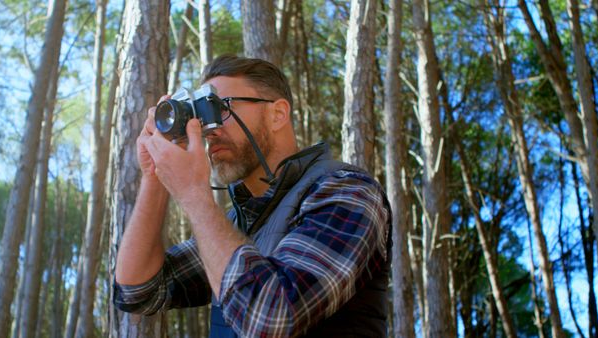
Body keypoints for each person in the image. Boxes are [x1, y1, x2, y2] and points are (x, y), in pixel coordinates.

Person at [114, 55, 392, 337]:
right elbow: (138, 292)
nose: (209, 132)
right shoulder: (238, 222)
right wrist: (155, 175)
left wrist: (193, 194)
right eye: (201, 115)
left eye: (219, 108)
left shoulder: (346, 191)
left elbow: (272, 318)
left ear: (277, 114)